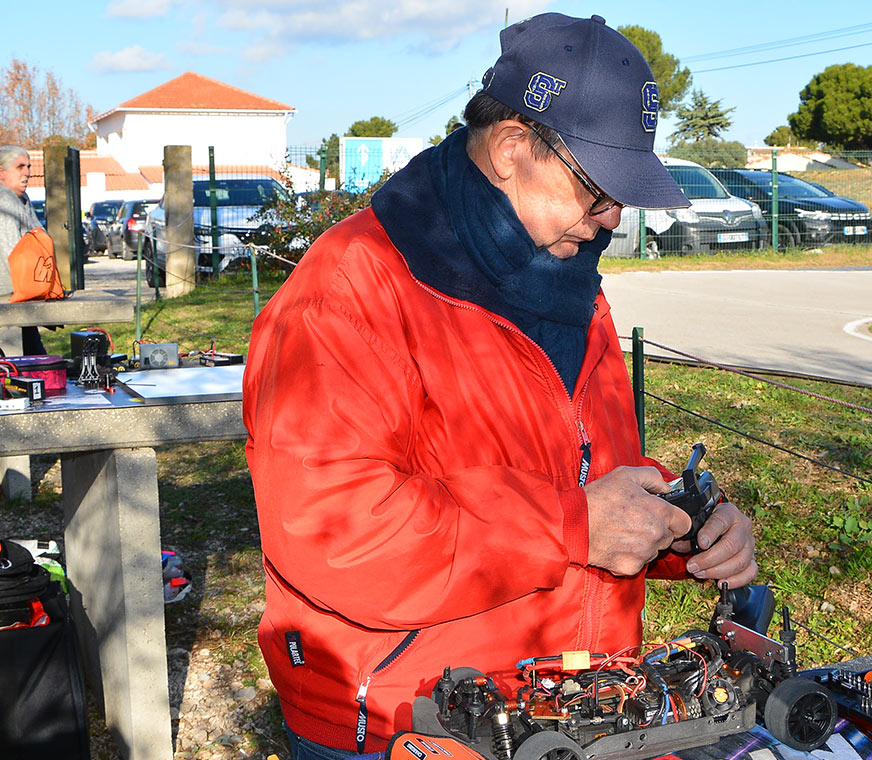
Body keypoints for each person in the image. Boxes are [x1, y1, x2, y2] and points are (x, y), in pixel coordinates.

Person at [243, 13, 757, 759]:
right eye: (598, 189)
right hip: (408, 721)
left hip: (575, 710)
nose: (614, 217)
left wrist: (678, 525)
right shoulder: (348, 292)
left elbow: (578, 472)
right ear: (513, 147)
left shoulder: (567, 282)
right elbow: (339, 534)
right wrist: (573, 526)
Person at [0, 144, 47, 355]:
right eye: (20, 167)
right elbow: (12, 252)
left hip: (20, 294)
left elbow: (39, 239)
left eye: (28, 166)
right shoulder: (4, 199)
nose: (27, 172)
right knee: (17, 362)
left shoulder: (21, 199)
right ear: (1, 172)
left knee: (34, 357)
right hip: (8, 296)